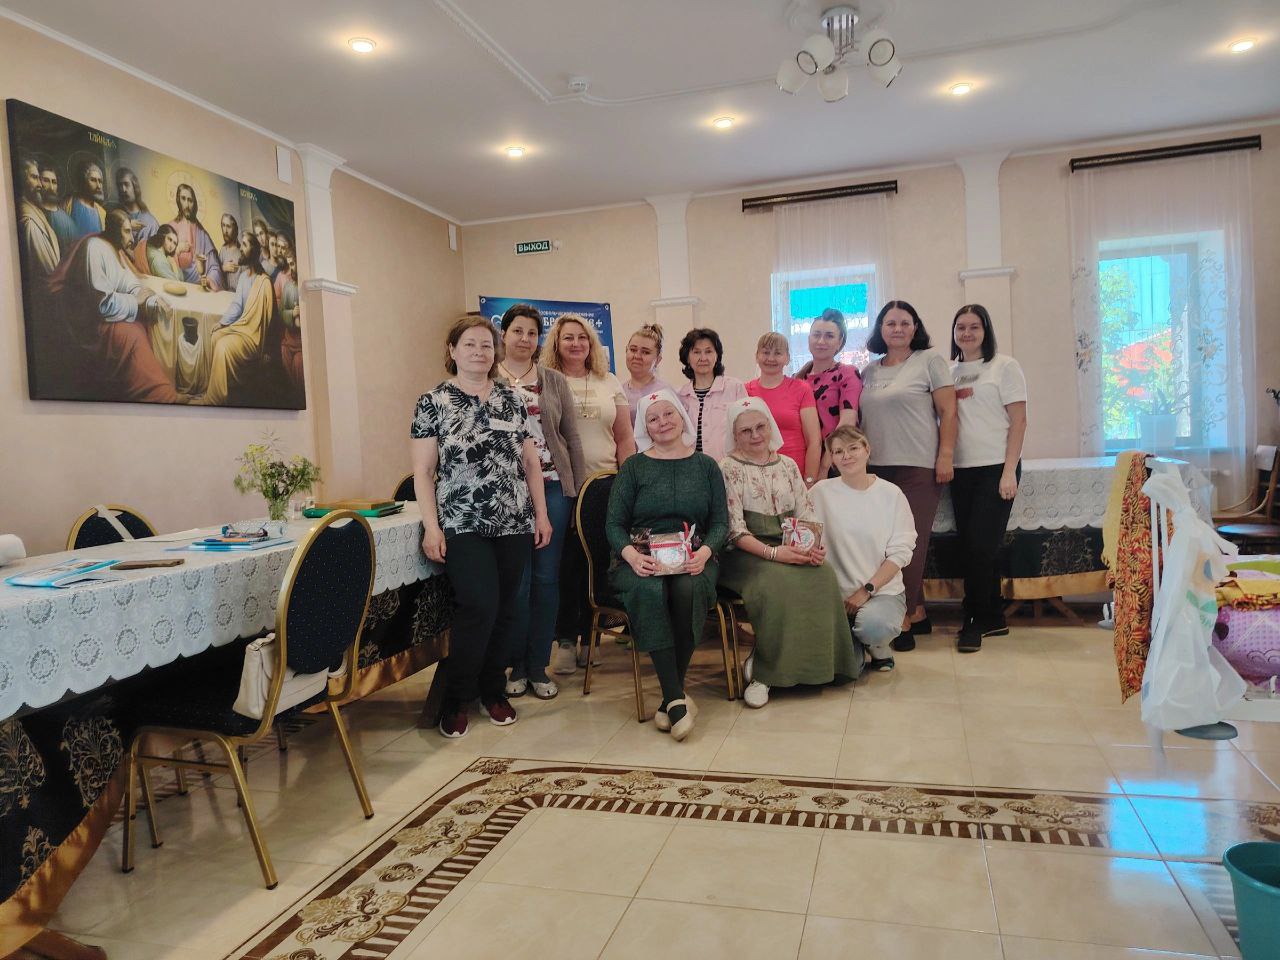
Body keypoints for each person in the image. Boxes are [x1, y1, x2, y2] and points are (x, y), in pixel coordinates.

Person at [411, 315, 552, 738]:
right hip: (462, 521)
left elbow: (530, 463)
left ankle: (493, 691)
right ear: (452, 351)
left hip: (514, 520)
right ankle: (457, 698)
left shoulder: (513, 399)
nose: (479, 352)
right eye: (469, 344)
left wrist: (541, 514)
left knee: (506, 609)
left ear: (495, 353)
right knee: (478, 606)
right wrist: (431, 528)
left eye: (486, 345)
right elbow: (424, 472)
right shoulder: (433, 401)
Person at [718, 398, 860, 708]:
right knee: (776, 582)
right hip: (745, 553)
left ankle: (822, 667)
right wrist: (773, 554)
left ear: (770, 426)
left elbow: (806, 513)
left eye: (760, 426)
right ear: (735, 435)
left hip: (789, 544)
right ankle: (765, 673)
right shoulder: (727, 467)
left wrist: (812, 548)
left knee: (823, 574)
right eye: (746, 431)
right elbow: (734, 529)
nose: (755, 435)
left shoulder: (788, 465)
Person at [607, 389, 728, 740]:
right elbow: (613, 524)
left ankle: (669, 699)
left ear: (681, 417)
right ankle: (675, 698)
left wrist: (704, 553)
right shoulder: (634, 467)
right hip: (641, 557)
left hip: (695, 556)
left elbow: (721, 522)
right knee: (650, 590)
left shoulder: (706, 466)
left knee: (689, 589)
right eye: (653, 418)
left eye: (668, 414)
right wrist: (631, 556)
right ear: (645, 427)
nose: (662, 423)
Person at [496, 303, 587, 699]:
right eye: (518, 331)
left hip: (553, 487)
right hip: (507, 494)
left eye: (532, 333)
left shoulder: (553, 380)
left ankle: (538, 666)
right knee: (518, 583)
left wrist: (576, 492)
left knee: (547, 580)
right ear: (504, 334)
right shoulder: (487, 379)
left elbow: (572, 438)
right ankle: (516, 665)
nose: (525, 339)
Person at [858, 300, 957, 651]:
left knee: (909, 545)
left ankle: (901, 618)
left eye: (904, 322)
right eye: (890, 323)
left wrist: (945, 455)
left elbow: (949, 412)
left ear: (915, 327)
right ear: (880, 329)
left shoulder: (930, 361)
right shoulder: (869, 371)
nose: (897, 329)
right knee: (883, 544)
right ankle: (918, 612)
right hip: (875, 468)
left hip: (918, 465)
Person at [542, 313, 637, 673]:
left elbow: (624, 437)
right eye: (568, 337)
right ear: (556, 342)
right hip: (562, 485)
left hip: (605, 485)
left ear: (591, 343)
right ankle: (565, 640)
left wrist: (628, 482)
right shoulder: (546, 381)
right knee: (566, 564)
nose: (576, 344)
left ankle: (590, 639)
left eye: (582, 337)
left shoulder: (608, 380)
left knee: (596, 564)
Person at [950, 304, 1028, 652]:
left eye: (974, 327)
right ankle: (994, 616)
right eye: (961, 327)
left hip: (996, 466)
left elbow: (1019, 421)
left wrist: (1009, 471)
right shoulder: (949, 372)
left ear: (986, 330)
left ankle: (973, 619)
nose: (967, 333)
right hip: (960, 469)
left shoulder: (1004, 366)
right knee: (973, 546)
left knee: (981, 546)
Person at [45, 209, 183, 404]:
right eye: (127, 231)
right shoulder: (95, 248)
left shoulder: (114, 250)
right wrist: (136, 301)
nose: (131, 238)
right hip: (89, 327)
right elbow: (102, 305)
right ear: (113, 231)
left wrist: (152, 300)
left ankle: (162, 389)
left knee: (145, 324)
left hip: (108, 317)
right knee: (133, 335)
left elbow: (131, 284)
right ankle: (156, 394)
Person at [813, 426, 918, 672]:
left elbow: (901, 553)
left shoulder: (891, 494)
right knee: (844, 670)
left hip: (881, 593)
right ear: (832, 458)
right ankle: (854, 646)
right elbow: (804, 535)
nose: (846, 456)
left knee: (874, 627)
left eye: (853, 448)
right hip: (836, 599)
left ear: (867, 450)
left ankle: (876, 644)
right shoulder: (820, 492)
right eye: (838, 451)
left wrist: (866, 591)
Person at [195, 233, 273, 405]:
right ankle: (214, 386)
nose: (241, 249)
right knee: (215, 336)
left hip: (253, 338)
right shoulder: (244, 277)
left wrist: (267, 349)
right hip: (242, 328)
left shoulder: (265, 282)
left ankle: (216, 397)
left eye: (244, 245)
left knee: (223, 346)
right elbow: (237, 305)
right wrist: (221, 323)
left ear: (254, 250)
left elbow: (269, 320)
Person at [746, 332, 821, 485]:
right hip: (756, 477)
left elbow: (814, 441)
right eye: (766, 352)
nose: (771, 358)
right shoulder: (745, 390)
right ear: (756, 356)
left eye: (778, 353)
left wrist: (809, 481)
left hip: (795, 476)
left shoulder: (801, 389)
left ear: (787, 358)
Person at [796, 308, 863, 477]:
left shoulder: (847, 373)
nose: (821, 341)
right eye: (816, 335)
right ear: (809, 339)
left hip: (837, 461)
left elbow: (847, 421)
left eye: (829, 336)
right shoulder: (798, 379)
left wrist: (825, 464)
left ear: (840, 342)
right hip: (802, 459)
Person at [675, 327, 747, 462]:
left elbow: (746, 428)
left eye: (708, 351)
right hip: (691, 466)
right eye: (696, 352)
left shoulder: (734, 387)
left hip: (727, 466)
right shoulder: (679, 395)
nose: (703, 358)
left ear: (717, 355)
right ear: (687, 358)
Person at [167, 184, 224, 291]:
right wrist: (177, 250)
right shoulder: (170, 228)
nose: (187, 204)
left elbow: (214, 266)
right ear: (178, 200)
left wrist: (210, 279)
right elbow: (163, 261)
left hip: (199, 290)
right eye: (183, 199)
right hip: (177, 287)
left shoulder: (202, 234)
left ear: (194, 203)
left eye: (190, 200)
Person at [621, 323, 673, 425]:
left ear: (658, 359)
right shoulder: (619, 392)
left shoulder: (666, 392)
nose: (637, 356)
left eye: (645, 352)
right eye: (633, 350)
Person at [17, 157, 59, 276]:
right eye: (34, 178)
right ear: (23, 180)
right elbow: (47, 269)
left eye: (39, 179)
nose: (40, 185)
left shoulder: (36, 210)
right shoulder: (29, 221)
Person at [114, 167, 159, 274]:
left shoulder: (150, 221)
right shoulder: (114, 215)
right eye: (120, 185)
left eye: (126, 184)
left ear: (135, 186)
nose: (123, 189)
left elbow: (155, 256)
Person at [278, 253, 304, 393]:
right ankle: (291, 392)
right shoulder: (288, 287)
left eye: (293, 264)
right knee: (284, 351)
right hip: (290, 339)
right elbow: (281, 313)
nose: (291, 269)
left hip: (302, 342)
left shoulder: (306, 289)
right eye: (289, 265)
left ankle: (299, 394)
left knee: (299, 362)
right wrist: (292, 314)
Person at [40, 165, 78, 257]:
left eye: (54, 182)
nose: (51, 187)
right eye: (46, 181)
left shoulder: (68, 222)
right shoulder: (33, 212)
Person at [66, 159, 106, 240]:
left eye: (100, 181)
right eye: (93, 180)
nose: (98, 186)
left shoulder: (102, 212)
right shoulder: (69, 205)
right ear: (83, 181)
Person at [219, 214, 243, 290]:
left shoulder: (241, 253)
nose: (225, 231)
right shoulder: (223, 250)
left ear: (235, 229)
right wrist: (223, 268)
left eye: (228, 226)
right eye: (223, 225)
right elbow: (216, 274)